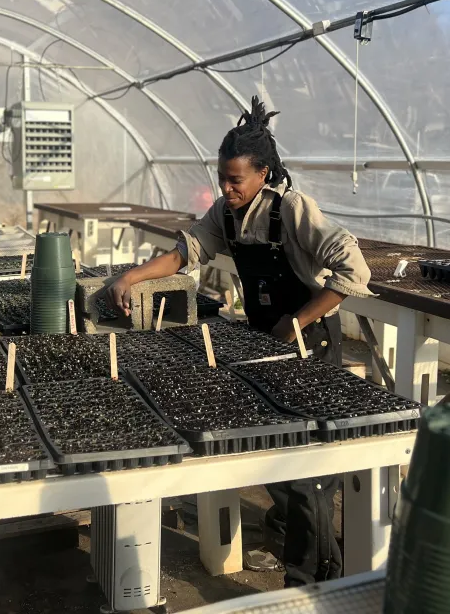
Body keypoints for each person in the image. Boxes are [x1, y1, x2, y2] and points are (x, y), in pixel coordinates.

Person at [108, 97, 372, 587]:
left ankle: (311, 576)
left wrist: (298, 320)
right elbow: (186, 253)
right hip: (262, 339)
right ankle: (295, 536)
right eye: (222, 179)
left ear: (263, 174)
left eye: (236, 180)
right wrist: (130, 277)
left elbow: (353, 268)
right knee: (272, 444)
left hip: (308, 341)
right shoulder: (226, 215)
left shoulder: (291, 210)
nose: (226, 189)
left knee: (308, 463)